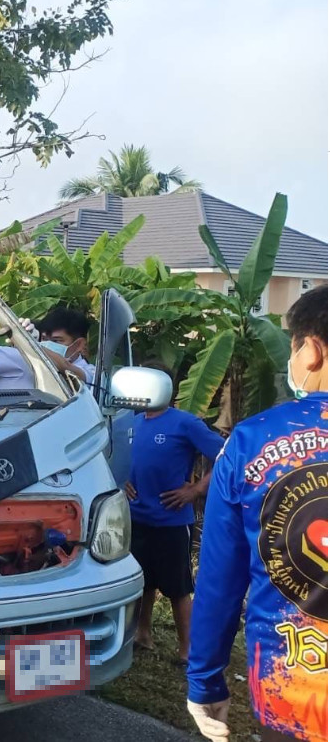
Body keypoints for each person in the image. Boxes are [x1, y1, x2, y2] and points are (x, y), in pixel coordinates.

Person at [187, 285, 328, 742]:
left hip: (296, 689)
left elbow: (219, 583)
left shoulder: (251, 443)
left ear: (311, 350)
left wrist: (205, 680)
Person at [123, 361, 225, 661]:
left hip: (171, 521)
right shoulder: (133, 420)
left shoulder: (185, 423)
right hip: (136, 517)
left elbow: (225, 455)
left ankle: (187, 650)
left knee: (177, 588)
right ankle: (142, 633)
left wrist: (195, 490)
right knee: (142, 582)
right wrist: (124, 481)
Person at [37, 307, 96, 386]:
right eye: (44, 339)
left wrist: (29, 342)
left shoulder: (91, 373)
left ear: (79, 344)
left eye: (56, 341)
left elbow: (65, 367)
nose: (47, 345)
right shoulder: (37, 363)